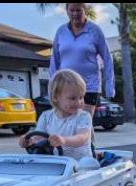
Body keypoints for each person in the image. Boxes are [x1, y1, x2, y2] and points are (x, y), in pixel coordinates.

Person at [49, 3, 116, 156]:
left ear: (85, 11)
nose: (75, 14)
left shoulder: (94, 31)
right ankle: (90, 153)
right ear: (67, 11)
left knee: (83, 121)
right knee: (76, 124)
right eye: (71, 10)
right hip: (65, 88)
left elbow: (107, 58)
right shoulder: (61, 32)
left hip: (89, 86)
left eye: (78, 10)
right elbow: (55, 61)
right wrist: (52, 88)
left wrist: (109, 86)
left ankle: (88, 156)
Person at [19, 69, 92, 161]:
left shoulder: (83, 116)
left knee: (87, 164)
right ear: (55, 97)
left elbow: (82, 138)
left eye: (81, 97)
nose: (78, 102)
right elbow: (38, 137)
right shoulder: (46, 116)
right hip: (57, 163)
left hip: (81, 163)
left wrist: (64, 140)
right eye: (73, 98)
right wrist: (27, 140)